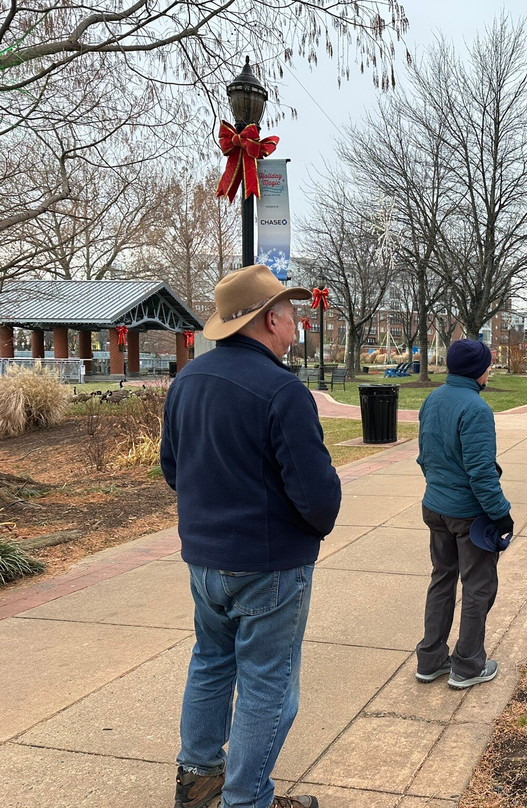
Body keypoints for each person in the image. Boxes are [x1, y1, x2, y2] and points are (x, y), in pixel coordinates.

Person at [161, 264, 342, 808]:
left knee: (211, 662)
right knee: (268, 684)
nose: (296, 326)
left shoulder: (187, 380)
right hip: (269, 566)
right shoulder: (283, 390)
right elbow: (318, 498)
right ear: (269, 321)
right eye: (291, 316)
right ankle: (246, 799)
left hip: (204, 560)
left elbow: (174, 469)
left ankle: (198, 781)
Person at [415, 338, 513, 689]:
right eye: (488, 366)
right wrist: (501, 514)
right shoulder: (476, 409)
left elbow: (424, 456)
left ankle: (430, 660)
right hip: (469, 515)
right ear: (477, 370)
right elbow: (481, 472)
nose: (490, 371)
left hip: (435, 507)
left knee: (442, 580)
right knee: (478, 587)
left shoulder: (433, 399)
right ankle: (468, 666)